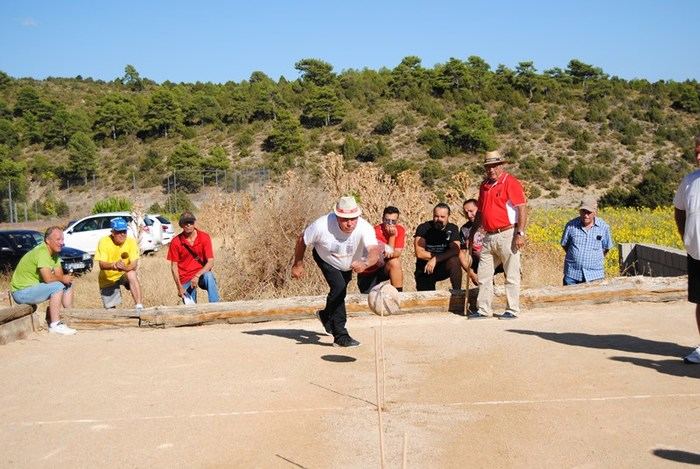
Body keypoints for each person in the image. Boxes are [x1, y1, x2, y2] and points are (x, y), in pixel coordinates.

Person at [292, 196, 380, 347]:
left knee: (340, 291)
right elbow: (302, 240)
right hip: (326, 259)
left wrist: (365, 263)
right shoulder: (321, 225)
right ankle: (340, 336)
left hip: (348, 264)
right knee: (339, 288)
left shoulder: (365, 227)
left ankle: (326, 315)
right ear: (337, 216)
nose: (350, 223)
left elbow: (374, 252)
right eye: (345, 219)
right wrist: (298, 264)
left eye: (353, 218)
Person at [471, 150, 528, 320]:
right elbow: (480, 212)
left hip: (507, 233)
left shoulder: (511, 182)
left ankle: (512, 309)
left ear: (501, 165)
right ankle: (483, 309)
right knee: (484, 274)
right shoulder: (484, 186)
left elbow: (522, 208)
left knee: (511, 273)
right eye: (488, 167)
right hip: (488, 235)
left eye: (494, 166)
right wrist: (473, 232)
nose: (491, 170)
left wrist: (520, 233)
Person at [10, 226, 76, 335]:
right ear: (47, 241)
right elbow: (48, 279)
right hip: (21, 292)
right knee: (57, 287)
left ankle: (71, 316)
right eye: (58, 239)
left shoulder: (54, 254)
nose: (61, 243)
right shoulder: (42, 252)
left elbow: (59, 275)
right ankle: (55, 325)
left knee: (67, 284)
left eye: (62, 239)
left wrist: (65, 279)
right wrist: (63, 278)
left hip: (32, 289)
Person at [674, 134, 700, 364]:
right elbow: (679, 210)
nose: (699, 156)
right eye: (697, 152)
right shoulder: (689, 181)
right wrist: (686, 238)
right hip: (697, 254)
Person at [167, 211, 220, 304]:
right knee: (191, 309)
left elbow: (211, 262)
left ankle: (215, 306)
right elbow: (174, 266)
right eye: (185, 222)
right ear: (181, 225)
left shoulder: (204, 237)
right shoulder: (175, 242)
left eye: (190, 222)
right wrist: (179, 287)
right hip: (185, 278)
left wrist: (197, 275)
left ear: (194, 223)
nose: (188, 225)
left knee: (209, 276)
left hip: (201, 274)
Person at [560, 196, 613, 285]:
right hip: (572, 274)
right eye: (583, 211)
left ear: (595, 212)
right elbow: (565, 244)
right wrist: (576, 256)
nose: (585, 215)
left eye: (589, 212)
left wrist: (593, 259)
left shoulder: (604, 227)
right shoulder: (571, 225)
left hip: (595, 275)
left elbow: (606, 248)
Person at [94, 217, 144, 310]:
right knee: (111, 311)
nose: (122, 234)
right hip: (108, 278)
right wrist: (114, 265)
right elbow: (101, 264)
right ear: (112, 233)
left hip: (124, 273)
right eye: (119, 232)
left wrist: (124, 268)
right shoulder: (104, 242)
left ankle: (139, 306)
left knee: (132, 274)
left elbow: (134, 264)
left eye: (124, 231)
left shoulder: (131, 242)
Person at [413, 203, 462, 291]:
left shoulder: (452, 228)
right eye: (436, 216)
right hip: (425, 268)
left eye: (442, 217)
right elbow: (419, 253)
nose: (438, 219)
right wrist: (434, 258)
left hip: (443, 266)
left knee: (454, 260)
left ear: (448, 216)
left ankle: (457, 293)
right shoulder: (423, 228)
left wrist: (436, 259)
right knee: (427, 301)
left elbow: (455, 249)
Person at [357, 206, 405, 293]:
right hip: (368, 271)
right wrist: (392, 236)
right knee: (370, 301)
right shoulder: (374, 232)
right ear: (383, 219)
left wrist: (392, 236)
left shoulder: (400, 230)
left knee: (394, 262)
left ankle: (398, 295)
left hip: (382, 268)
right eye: (387, 220)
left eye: (393, 221)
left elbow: (397, 253)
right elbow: (388, 253)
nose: (390, 224)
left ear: (397, 221)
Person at [458, 198, 504, 288]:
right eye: (466, 212)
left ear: (479, 209)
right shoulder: (465, 229)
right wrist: (471, 274)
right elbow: (462, 253)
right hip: (480, 263)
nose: (469, 215)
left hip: (498, 258)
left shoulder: (490, 222)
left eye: (471, 211)